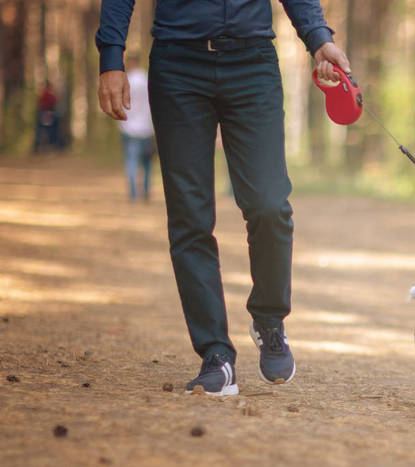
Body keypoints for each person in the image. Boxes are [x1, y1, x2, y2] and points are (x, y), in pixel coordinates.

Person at [95, 1, 351, 395]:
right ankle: (216, 354)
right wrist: (111, 57)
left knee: (269, 205)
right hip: (178, 64)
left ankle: (268, 320)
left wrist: (318, 39)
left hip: (252, 63)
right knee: (190, 218)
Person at [119, 55, 154, 202]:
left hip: (129, 127)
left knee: (131, 161)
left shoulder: (126, 81)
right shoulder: (147, 79)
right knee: (147, 162)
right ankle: (146, 191)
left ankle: (133, 194)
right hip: (147, 128)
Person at [33, 81, 61, 153]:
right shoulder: (47, 95)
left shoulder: (46, 95)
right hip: (47, 114)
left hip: (46, 114)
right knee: (48, 130)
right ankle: (44, 147)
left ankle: (43, 147)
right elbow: (53, 104)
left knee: (46, 131)